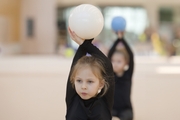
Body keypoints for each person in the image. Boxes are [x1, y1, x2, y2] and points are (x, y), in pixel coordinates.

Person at [65, 28, 115, 120]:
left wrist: (85, 43)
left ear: (101, 84)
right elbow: (75, 65)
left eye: (90, 81)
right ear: (73, 81)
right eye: (79, 81)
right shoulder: (72, 100)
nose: (83, 86)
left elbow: (107, 65)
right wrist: (84, 43)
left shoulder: (104, 102)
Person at [108, 17, 134, 120]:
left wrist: (122, 38)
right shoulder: (111, 74)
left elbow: (131, 56)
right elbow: (110, 54)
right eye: (113, 61)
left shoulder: (128, 75)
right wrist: (117, 40)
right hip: (112, 108)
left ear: (126, 63)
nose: (115, 64)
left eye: (119, 61)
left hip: (125, 109)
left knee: (127, 117)